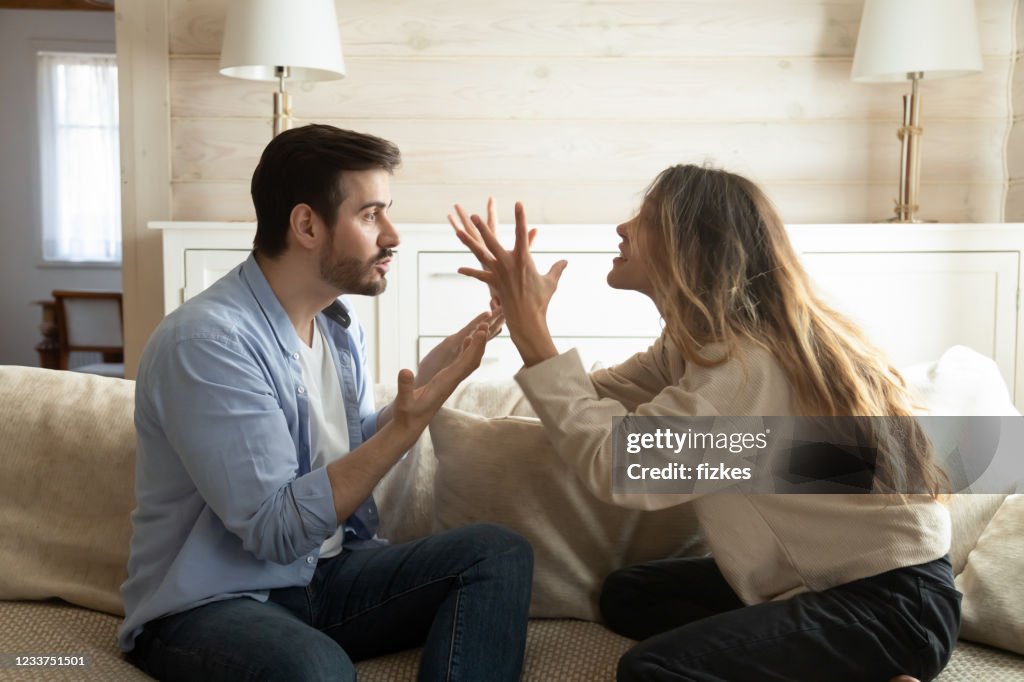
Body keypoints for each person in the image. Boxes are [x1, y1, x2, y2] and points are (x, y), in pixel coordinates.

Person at [448, 165, 960, 682]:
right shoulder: (698, 345)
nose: (622, 228)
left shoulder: (744, 366)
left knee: (653, 671)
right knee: (628, 596)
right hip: (840, 587)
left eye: (644, 219)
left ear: (690, 246)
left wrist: (534, 333)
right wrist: (524, 325)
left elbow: (620, 465)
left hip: (890, 608)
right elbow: (588, 400)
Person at [118, 124, 533, 682]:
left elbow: (358, 450)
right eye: (371, 215)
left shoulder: (338, 327)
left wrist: (446, 371)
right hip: (214, 603)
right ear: (307, 224)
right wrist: (403, 431)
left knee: (496, 553)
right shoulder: (208, 344)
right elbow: (275, 532)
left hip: (327, 576)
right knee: (316, 669)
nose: (393, 235)